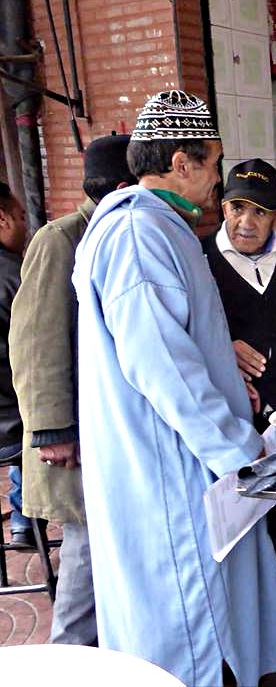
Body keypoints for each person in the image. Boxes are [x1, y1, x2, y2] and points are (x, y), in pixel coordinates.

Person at [71, 91, 276, 686]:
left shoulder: (162, 227)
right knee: (192, 629)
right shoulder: (138, 233)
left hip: (190, 456)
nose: (218, 182)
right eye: (214, 165)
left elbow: (188, 345)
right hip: (171, 467)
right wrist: (243, 458)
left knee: (221, 614)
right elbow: (163, 369)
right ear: (181, 163)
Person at [8, 134, 134, 645]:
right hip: (73, 443)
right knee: (84, 564)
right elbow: (35, 344)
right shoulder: (61, 239)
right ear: (124, 187)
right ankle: (69, 663)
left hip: (107, 431)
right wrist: (53, 431)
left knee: (111, 561)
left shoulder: (111, 232)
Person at [202, 158, 276, 428]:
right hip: (230, 409)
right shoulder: (200, 259)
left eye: (260, 212)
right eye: (238, 208)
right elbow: (182, 339)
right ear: (224, 208)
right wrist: (222, 350)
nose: (246, 223)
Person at [0, 184, 28, 546]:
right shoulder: (14, 277)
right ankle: (26, 512)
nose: (25, 226)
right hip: (11, 427)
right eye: (21, 217)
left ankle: (23, 519)